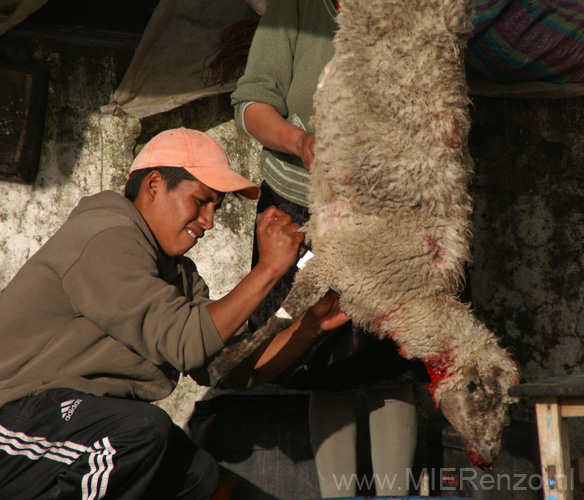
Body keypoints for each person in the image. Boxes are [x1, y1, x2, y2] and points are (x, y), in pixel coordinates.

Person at [0, 127, 349, 500]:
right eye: (201, 201)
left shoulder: (178, 273)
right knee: (140, 432)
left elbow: (225, 367)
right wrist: (268, 270)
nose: (209, 221)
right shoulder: (104, 236)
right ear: (153, 185)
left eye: (217, 206)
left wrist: (311, 326)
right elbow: (186, 343)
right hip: (13, 421)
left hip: (61, 421)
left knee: (196, 475)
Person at [231, 0, 429, 496]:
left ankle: (394, 494)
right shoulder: (295, 7)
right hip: (301, 207)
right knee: (319, 357)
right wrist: (300, 142)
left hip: (391, 210)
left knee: (393, 360)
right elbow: (251, 102)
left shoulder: (411, 12)